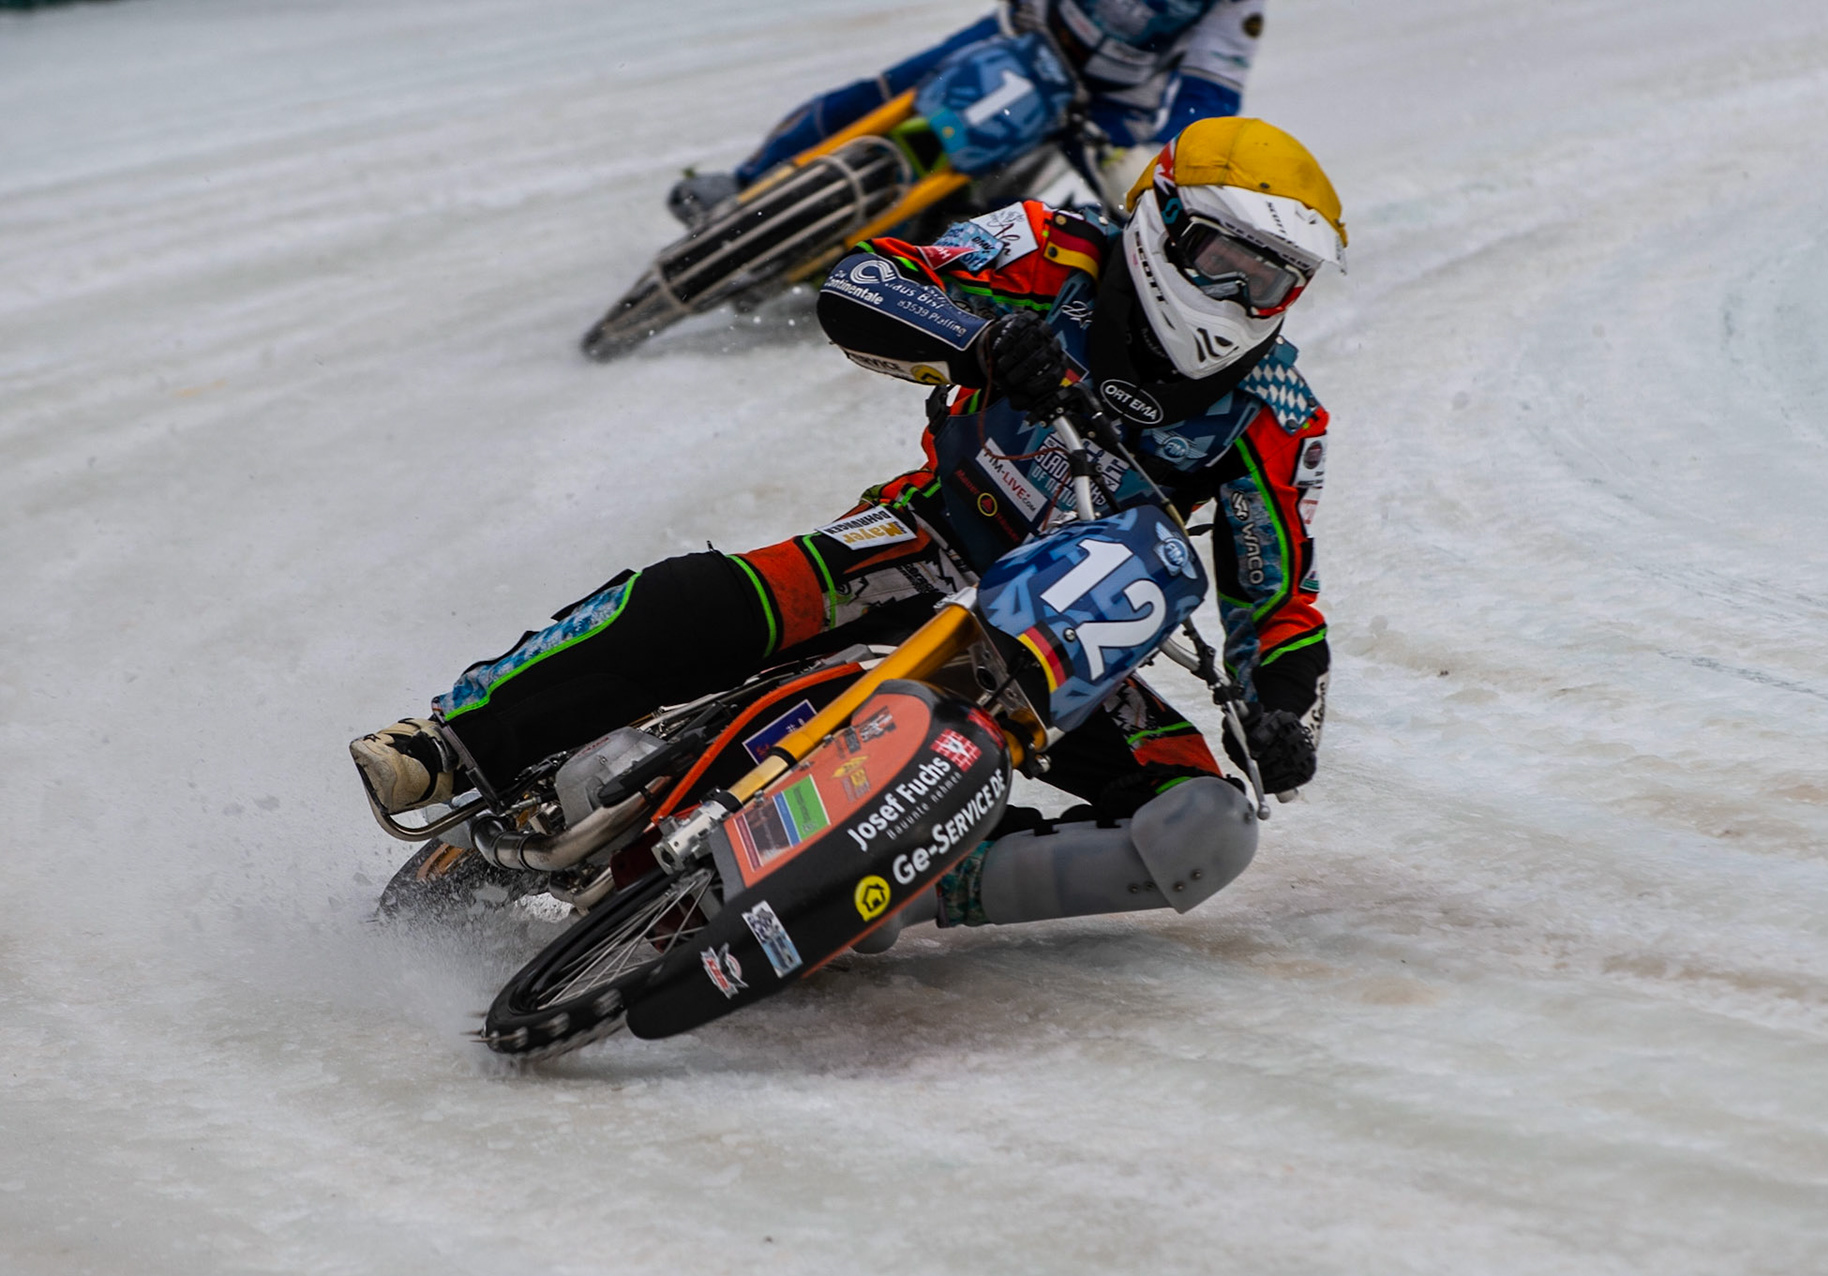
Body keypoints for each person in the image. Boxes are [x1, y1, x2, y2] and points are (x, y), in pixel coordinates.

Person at [354, 116, 1342, 938]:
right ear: (1160, 221)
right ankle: (453, 740)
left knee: (1204, 828)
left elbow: (1279, 598)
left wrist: (1281, 720)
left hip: (1068, 640)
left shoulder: (1277, 412)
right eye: (1225, 260)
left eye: (1274, 281)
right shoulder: (1053, 248)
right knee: (708, 599)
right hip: (930, 538)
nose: (1242, 300)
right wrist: (978, 340)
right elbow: (866, 281)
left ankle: (900, 891)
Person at [667, 0, 1269, 224]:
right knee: (879, 93)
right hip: (1021, 33)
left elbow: (1210, 91)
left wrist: (1180, 164)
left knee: (1136, 215)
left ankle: (989, 265)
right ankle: (746, 182)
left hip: (1107, 105)